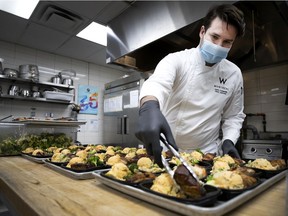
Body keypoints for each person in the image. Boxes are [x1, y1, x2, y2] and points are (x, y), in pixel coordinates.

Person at [135, 4, 246, 167]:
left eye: (227, 42)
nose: (218, 46)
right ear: (202, 32)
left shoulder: (233, 73)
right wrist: (149, 107)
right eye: (214, 37)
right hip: (167, 152)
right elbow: (157, 84)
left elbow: (234, 115)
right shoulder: (177, 60)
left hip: (207, 156)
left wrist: (228, 140)